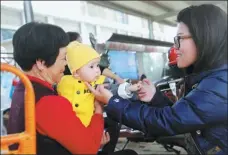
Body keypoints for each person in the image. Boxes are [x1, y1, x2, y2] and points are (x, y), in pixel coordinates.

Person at [86, 4, 227, 155]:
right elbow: (184, 114)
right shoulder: (207, 78)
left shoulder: (220, 84)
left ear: (204, 38)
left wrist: (113, 102)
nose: (174, 47)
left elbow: (171, 121)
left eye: (179, 39)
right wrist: (155, 97)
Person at [7, 22, 138, 155]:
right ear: (41, 63)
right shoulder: (49, 103)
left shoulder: (22, 89)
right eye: (64, 58)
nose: (66, 65)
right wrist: (98, 108)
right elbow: (88, 149)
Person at [57, 41, 141, 127]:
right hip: (66, 126)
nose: (97, 70)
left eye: (97, 65)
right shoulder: (63, 81)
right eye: (91, 66)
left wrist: (129, 88)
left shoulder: (99, 83)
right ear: (76, 73)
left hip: (90, 127)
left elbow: (112, 89)